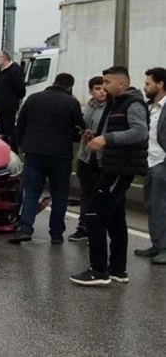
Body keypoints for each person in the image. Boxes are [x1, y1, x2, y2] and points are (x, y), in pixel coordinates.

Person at [70, 66, 148, 286]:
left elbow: (140, 131)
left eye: (107, 82)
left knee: (95, 216)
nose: (103, 86)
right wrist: (96, 137)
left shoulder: (132, 104)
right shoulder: (116, 103)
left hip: (119, 169)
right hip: (111, 165)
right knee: (115, 219)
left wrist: (107, 139)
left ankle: (98, 271)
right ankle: (117, 270)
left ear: (122, 84)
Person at [9, 73, 85, 244]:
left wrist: (24, 146)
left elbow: (20, 125)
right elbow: (80, 128)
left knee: (31, 193)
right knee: (59, 194)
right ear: (69, 87)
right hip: (60, 156)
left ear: (53, 83)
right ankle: (56, 234)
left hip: (34, 153)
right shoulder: (71, 102)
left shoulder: (33, 99)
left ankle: (25, 229)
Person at [68, 76, 108, 242]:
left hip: (101, 159)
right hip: (85, 156)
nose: (102, 92)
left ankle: (98, 228)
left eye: (104, 88)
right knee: (85, 194)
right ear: (91, 91)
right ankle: (83, 226)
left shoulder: (110, 107)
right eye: (98, 88)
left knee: (100, 195)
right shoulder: (89, 106)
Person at [135, 67, 166, 265]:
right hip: (148, 162)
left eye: (148, 83)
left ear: (160, 84)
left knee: (161, 207)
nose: (145, 87)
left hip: (162, 162)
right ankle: (156, 245)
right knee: (151, 206)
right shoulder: (148, 107)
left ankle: (163, 248)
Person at [0, 50, 26, 153]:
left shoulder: (14, 70)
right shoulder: (1, 70)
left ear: (5, 58)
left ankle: (13, 150)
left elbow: (19, 88)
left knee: (9, 129)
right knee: (1, 129)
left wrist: (15, 98)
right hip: (0, 105)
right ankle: (3, 148)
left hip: (9, 105)